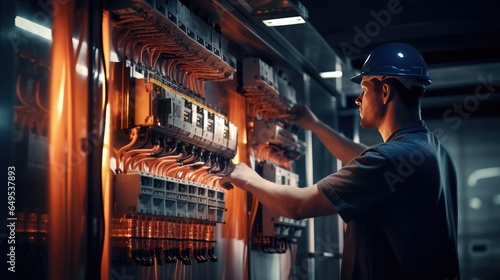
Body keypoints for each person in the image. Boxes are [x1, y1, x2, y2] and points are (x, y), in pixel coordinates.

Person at [221, 42, 460, 279]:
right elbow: (367, 160)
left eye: (365, 89)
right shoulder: (431, 150)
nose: (358, 99)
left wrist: (246, 176)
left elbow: (297, 206)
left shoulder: (389, 159)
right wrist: (315, 125)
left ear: (385, 92)